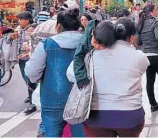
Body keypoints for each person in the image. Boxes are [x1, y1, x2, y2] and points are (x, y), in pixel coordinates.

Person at [79, 19, 149, 137]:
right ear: (132, 38)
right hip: (130, 117)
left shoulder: (92, 54)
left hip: (96, 118)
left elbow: (70, 74)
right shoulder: (139, 57)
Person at [25, 8, 85, 137]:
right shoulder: (87, 44)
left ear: (58, 26)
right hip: (81, 100)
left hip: (52, 99)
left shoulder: (46, 44)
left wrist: (36, 81)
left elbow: (31, 71)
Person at [11, 11, 36, 115]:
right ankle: (31, 96)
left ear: (28, 20)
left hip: (29, 57)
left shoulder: (32, 29)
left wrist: (26, 54)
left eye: (21, 20)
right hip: (20, 57)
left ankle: (33, 101)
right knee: (25, 78)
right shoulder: (19, 29)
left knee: (29, 79)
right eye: (19, 20)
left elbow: (33, 45)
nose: (19, 21)